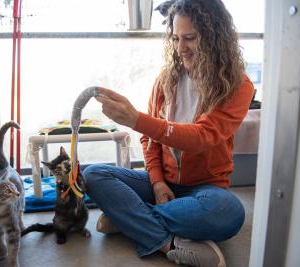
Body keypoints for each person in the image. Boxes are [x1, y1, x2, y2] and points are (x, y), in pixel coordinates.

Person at [84, 0, 254, 266]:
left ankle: (127, 219)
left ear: (214, 38)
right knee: (94, 174)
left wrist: (136, 119)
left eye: (190, 38)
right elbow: (151, 141)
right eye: (175, 38)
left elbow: (200, 137)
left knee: (228, 212)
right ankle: (167, 243)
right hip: (162, 184)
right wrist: (157, 182)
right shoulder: (167, 79)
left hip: (205, 190)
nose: (180, 48)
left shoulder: (237, 85)